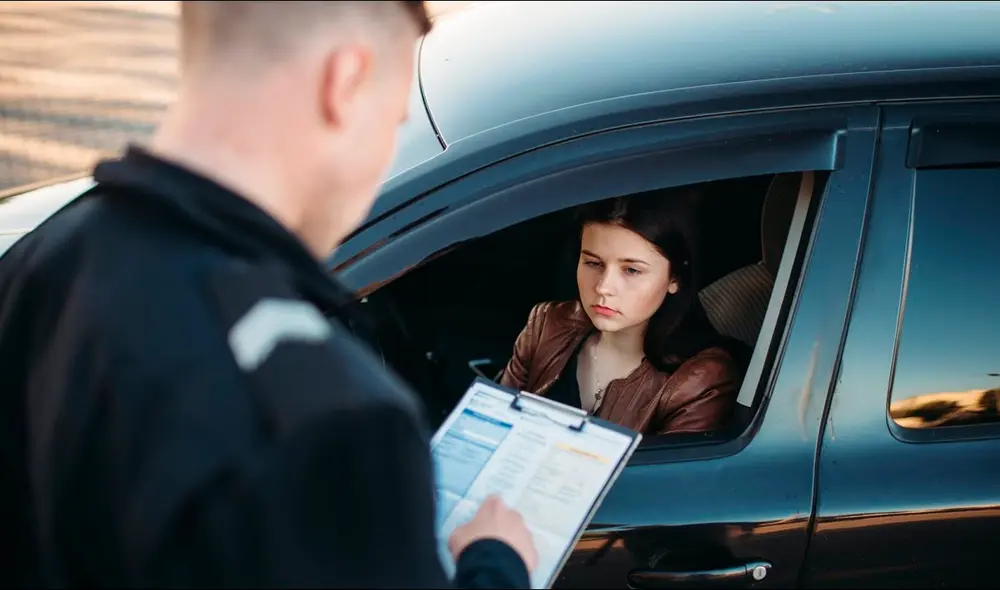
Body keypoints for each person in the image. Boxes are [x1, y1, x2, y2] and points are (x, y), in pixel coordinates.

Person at [0, 2, 536, 588]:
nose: (386, 153)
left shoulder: (42, 257)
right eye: (393, 123)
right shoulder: (336, 422)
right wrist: (495, 564)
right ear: (345, 80)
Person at [498, 191, 744, 436]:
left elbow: (662, 474)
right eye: (594, 263)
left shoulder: (699, 382)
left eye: (632, 270)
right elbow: (491, 426)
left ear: (675, 278)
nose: (603, 287)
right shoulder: (547, 325)